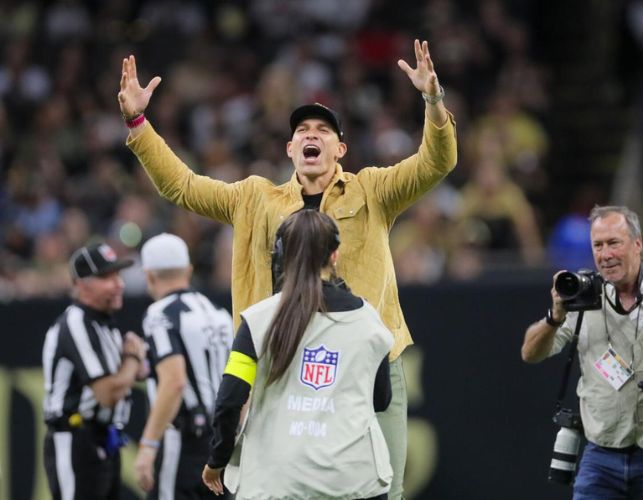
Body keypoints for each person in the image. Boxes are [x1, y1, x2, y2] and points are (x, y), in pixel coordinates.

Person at [118, 38, 457, 498]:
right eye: (303, 130)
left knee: (385, 489)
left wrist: (433, 100)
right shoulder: (254, 197)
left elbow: (438, 161)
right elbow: (183, 187)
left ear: (341, 149)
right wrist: (138, 123)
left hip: (367, 363)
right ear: (290, 148)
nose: (312, 135)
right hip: (287, 366)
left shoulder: (371, 190)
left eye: (323, 130)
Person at [201, 210, 393, 499]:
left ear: (281, 256)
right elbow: (380, 400)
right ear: (335, 255)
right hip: (355, 482)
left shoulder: (257, 320)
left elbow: (229, 401)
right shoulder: (370, 322)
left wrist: (217, 461)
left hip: (275, 483)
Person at [520, 205, 643, 499]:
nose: (605, 255)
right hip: (602, 457)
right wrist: (554, 317)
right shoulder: (582, 296)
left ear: (637, 244)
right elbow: (530, 352)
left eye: (614, 243)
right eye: (598, 245)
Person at [42, 241, 147, 500]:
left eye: (118, 275)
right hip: (75, 439)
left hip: (102, 438)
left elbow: (126, 377)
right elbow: (107, 393)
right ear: (80, 284)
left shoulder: (104, 324)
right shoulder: (77, 322)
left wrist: (134, 367)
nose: (118, 284)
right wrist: (132, 359)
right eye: (106, 277)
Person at [134, 233, 234, 499]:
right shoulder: (218, 313)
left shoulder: (160, 314)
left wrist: (147, 445)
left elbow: (175, 381)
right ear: (188, 270)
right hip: (222, 440)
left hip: (183, 440)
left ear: (150, 276)